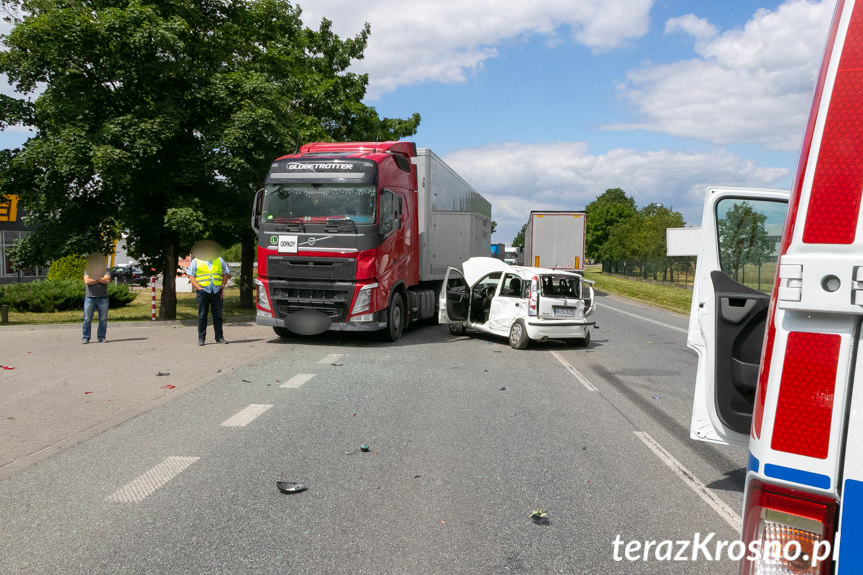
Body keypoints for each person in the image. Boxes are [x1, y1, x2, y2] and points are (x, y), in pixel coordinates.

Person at [188, 241, 231, 346]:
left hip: (216, 291)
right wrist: (199, 288)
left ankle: (219, 337)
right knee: (202, 315)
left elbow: (226, 273)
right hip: (203, 292)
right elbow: (191, 276)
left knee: (218, 315)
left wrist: (222, 285)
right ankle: (201, 338)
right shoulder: (196, 261)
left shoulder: (219, 260)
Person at [82, 253, 111, 344]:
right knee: (87, 319)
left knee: (103, 319)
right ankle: (86, 337)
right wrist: (100, 278)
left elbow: (107, 280)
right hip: (90, 297)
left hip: (103, 298)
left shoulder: (106, 270)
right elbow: (87, 281)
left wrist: (94, 278)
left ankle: (101, 337)